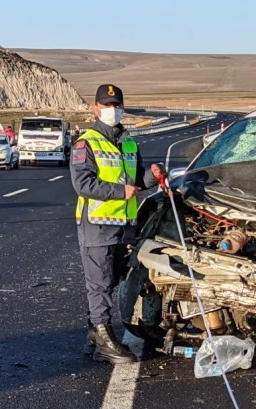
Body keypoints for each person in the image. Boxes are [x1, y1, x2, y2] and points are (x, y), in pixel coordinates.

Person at [70, 84, 165, 364]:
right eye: (107, 105)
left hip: (124, 225)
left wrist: (152, 176)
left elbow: (135, 182)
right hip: (97, 224)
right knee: (98, 284)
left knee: (111, 280)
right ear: (95, 108)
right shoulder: (85, 143)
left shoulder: (129, 142)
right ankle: (103, 339)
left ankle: (93, 331)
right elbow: (82, 183)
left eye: (116, 105)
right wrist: (117, 191)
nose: (113, 110)